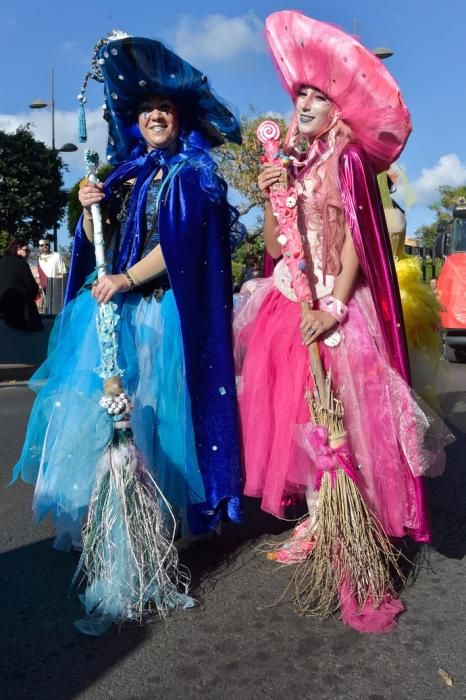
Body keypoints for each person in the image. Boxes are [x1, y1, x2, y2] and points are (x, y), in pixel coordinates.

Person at [13, 32, 244, 632]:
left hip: (164, 311)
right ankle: (116, 523)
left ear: (180, 115)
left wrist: (125, 279)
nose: (154, 117)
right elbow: (99, 244)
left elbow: (181, 247)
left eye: (164, 109)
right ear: (135, 122)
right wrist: (91, 206)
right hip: (120, 313)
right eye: (145, 111)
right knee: (115, 416)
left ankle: (158, 526)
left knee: (160, 419)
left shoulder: (195, 173)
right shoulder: (130, 174)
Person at [234, 11, 453, 632]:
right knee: (302, 414)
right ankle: (319, 516)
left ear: (338, 108)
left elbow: (362, 236)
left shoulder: (350, 161)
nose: (303, 102)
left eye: (316, 95)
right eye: (299, 93)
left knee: (349, 419)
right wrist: (273, 192)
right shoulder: (295, 163)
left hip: (338, 303)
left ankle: (355, 525)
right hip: (287, 302)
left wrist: (332, 303)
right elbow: (276, 247)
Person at [0, 238, 43, 330]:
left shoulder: (1, 262)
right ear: (17, 248)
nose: (28, 253)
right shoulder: (22, 264)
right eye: (26, 250)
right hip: (19, 312)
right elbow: (32, 288)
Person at [37, 239, 67, 314]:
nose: (44, 246)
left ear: (49, 245)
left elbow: (63, 271)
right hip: (44, 288)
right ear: (39, 247)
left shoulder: (56, 255)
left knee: (56, 309)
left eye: (46, 244)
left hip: (56, 286)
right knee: (46, 309)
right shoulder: (39, 259)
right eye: (42, 245)